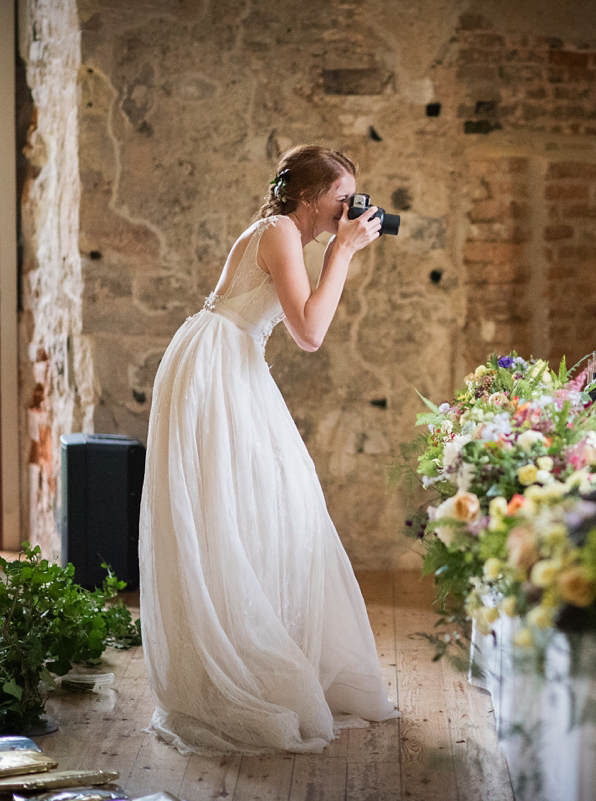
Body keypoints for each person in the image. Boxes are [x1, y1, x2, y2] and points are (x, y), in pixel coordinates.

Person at [138, 145, 399, 755]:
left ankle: (272, 648)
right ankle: (235, 669)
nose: (349, 208)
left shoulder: (291, 234)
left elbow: (307, 322)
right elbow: (309, 333)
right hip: (214, 362)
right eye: (342, 197)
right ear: (309, 197)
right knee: (231, 507)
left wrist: (339, 251)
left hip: (235, 359)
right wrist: (343, 252)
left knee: (279, 503)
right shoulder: (281, 229)